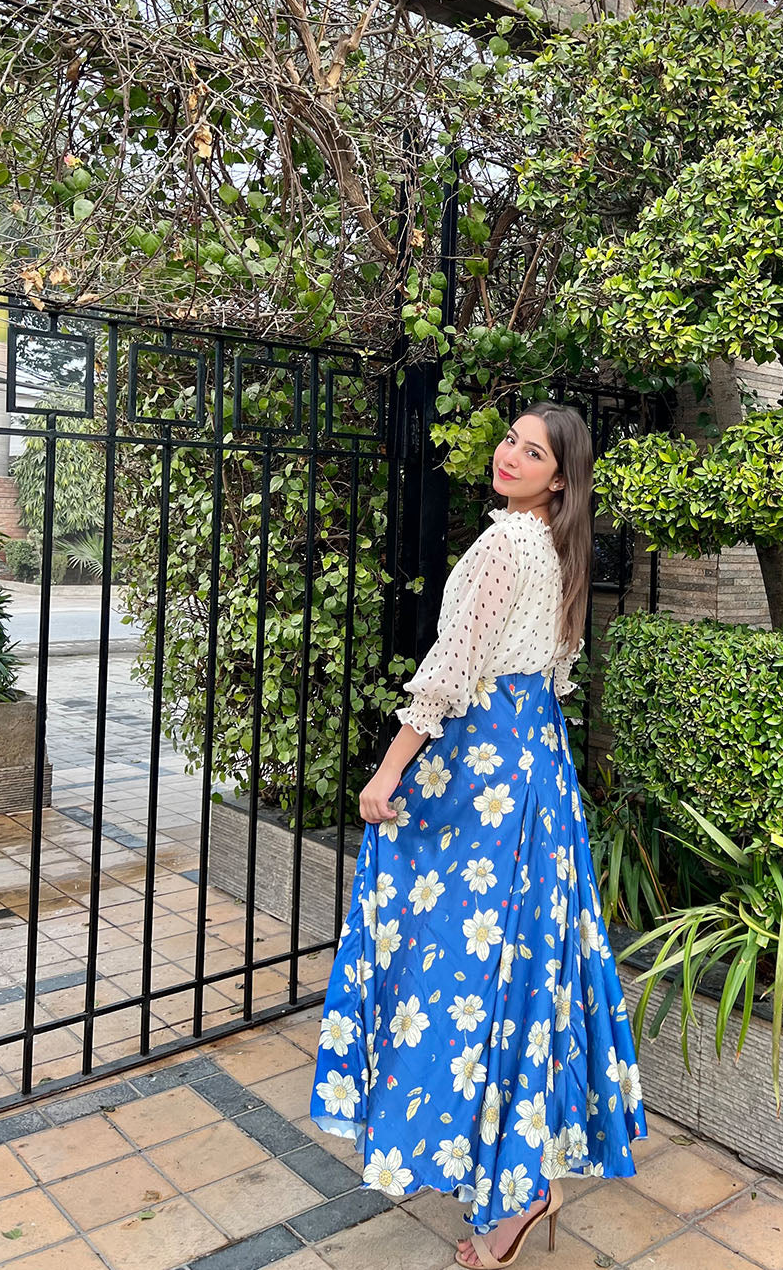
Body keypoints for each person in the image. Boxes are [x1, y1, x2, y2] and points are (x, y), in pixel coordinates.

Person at [309, 401, 647, 1269]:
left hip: (486, 772)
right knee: (522, 969)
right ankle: (520, 1175)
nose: (509, 456)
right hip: (538, 769)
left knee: (455, 960)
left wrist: (388, 771)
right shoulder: (561, 553)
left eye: (532, 453)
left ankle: (515, 1188)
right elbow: (552, 677)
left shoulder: (506, 547)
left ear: (559, 480)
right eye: (510, 440)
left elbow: (452, 668)